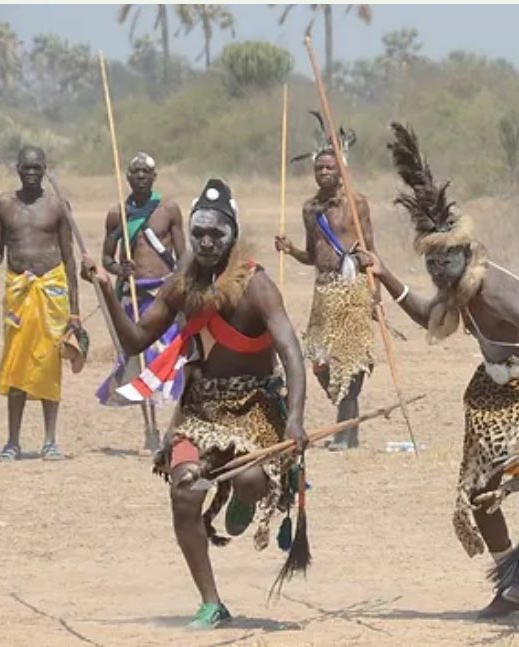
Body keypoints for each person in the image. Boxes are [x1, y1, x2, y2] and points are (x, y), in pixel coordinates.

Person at [361, 122, 519, 618]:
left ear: (466, 253)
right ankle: (511, 580)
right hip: (492, 389)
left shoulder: (492, 288)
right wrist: (384, 273)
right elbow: (428, 317)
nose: (438, 270)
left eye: (446, 260)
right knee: (478, 491)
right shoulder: (455, 289)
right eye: (432, 263)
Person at [81, 179, 310, 630]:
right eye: (199, 232)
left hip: (256, 405)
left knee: (247, 479)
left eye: (216, 234)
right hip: (200, 407)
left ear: (232, 233)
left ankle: (245, 495)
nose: (206, 242)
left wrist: (296, 418)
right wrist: (106, 289)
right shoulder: (178, 287)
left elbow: (291, 352)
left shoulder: (257, 284)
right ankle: (211, 601)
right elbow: (135, 341)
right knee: (184, 491)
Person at [0, 145, 82, 462]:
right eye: (27, 167)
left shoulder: (57, 206)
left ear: (45, 169)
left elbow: (69, 258)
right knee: (16, 363)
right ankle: (12, 441)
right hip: (19, 291)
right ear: (18, 169)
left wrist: (75, 311)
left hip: (52, 289)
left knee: (49, 362)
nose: (32, 173)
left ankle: (50, 441)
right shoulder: (3, 204)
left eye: (37, 168)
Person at [275, 133, 374, 452]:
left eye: (330, 167)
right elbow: (312, 254)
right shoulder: (310, 208)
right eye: (320, 168)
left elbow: (370, 248)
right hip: (323, 290)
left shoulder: (356, 202)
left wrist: (376, 295)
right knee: (320, 363)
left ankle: (345, 434)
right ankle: (348, 422)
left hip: (353, 289)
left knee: (350, 361)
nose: (324, 173)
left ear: (341, 169)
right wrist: (290, 251)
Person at [95, 152, 186, 452]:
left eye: (146, 172)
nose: (140, 177)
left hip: (166, 293)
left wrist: (183, 286)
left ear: (154, 177)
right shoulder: (117, 215)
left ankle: (177, 425)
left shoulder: (169, 211)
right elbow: (107, 258)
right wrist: (119, 269)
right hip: (135, 295)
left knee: (174, 358)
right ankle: (150, 427)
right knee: (141, 361)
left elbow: (183, 256)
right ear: (127, 177)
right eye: (135, 172)